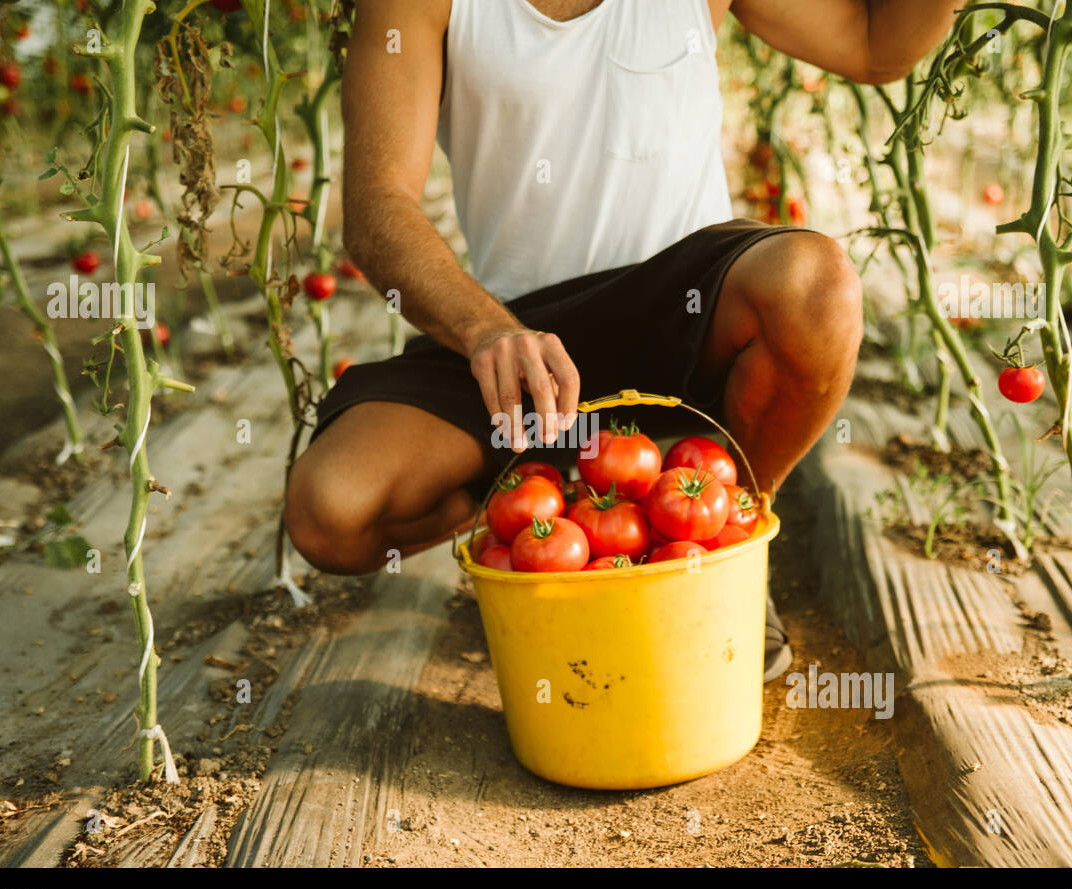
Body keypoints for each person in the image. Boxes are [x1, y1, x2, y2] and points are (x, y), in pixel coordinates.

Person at [284, 0, 962, 681]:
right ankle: (538, 511)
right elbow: (377, 210)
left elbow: (877, 47)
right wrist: (485, 327)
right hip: (517, 342)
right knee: (331, 511)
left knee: (816, 288)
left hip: (682, 304)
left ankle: (725, 543)